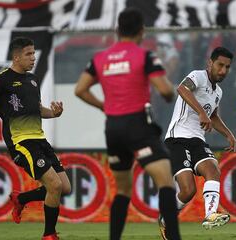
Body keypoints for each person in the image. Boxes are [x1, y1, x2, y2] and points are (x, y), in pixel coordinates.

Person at [74, 7, 181, 240]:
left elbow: (80, 89)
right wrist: (169, 92)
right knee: (165, 182)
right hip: (138, 126)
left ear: (117, 30)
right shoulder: (145, 56)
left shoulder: (100, 58)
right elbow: (164, 90)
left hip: (112, 128)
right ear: (142, 31)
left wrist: (104, 106)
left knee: (122, 190)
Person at [0, 37, 71, 240]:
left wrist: (54, 113)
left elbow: (36, 109)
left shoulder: (33, 80)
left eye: (34, 53)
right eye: (29, 54)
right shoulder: (2, 78)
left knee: (65, 188)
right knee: (54, 186)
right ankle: (49, 235)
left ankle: (22, 198)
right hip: (21, 142)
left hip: (40, 139)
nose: (33, 58)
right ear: (16, 57)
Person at [160, 47, 236, 236]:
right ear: (210, 63)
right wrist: (201, 112)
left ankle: (210, 214)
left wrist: (228, 134)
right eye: (220, 65)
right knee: (188, 191)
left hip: (197, 140)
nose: (223, 71)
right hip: (177, 137)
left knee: (213, 170)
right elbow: (181, 88)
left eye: (227, 67)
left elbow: (213, 116)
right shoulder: (197, 76)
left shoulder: (218, 92)